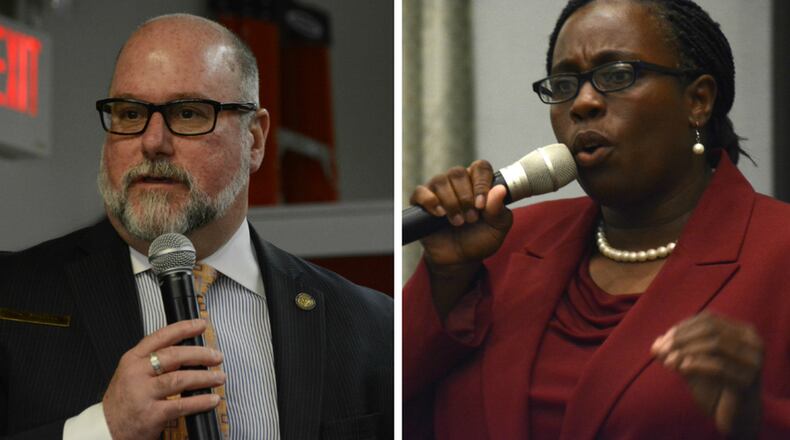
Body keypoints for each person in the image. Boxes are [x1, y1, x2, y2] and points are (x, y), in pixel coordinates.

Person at [404, 0, 790, 438]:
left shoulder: (779, 253)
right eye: (565, 83)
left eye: (617, 75)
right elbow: (372, 403)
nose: (583, 102)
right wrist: (446, 282)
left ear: (697, 100)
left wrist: (755, 421)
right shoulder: (502, 246)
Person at [0, 13, 392, 440]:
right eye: (130, 113)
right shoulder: (12, 293)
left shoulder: (369, 325)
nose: (153, 141)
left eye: (187, 113)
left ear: (255, 140)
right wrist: (102, 430)